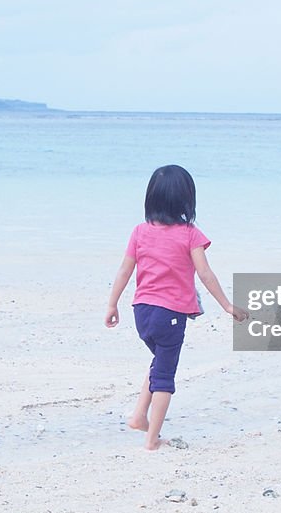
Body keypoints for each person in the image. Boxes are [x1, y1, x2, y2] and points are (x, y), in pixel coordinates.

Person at [105, 164, 248, 451]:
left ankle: (138, 416)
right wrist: (227, 305)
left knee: (159, 361)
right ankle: (152, 439)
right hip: (169, 315)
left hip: (141, 312)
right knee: (165, 379)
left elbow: (124, 270)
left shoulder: (140, 231)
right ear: (187, 200)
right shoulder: (190, 234)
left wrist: (112, 304)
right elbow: (205, 274)